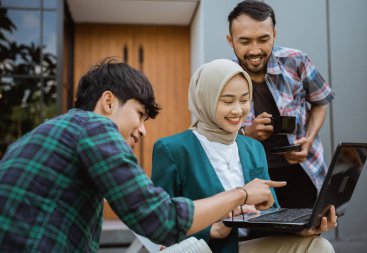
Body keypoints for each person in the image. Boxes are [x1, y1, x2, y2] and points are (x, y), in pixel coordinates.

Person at [0, 59, 285, 252]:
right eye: (139, 115)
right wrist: (241, 195)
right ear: (108, 102)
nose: (142, 131)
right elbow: (160, 220)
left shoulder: (40, 136)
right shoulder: (95, 127)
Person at [151, 59, 336, 253]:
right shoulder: (172, 149)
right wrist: (212, 229)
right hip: (208, 248)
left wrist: (299, 229)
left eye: (245, 99)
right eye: (228, 101)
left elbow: (272, 210)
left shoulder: (253, 147)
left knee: (319, 246)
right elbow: (159, 223)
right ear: (205, 98)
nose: (238, 110)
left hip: (249, 245)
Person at [227, 0, 335, 208]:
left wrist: (308, 139)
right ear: (230, 41)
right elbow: (214, 133)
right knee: (262, 239)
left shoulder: (297, 61)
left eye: (263, 39)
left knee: (308, 236)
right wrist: (246, 133)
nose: (255, 50)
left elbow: (321, 102)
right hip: (252, 177)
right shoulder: (222, 76)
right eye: (245, 41)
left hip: (303, 171)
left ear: (274, 35)